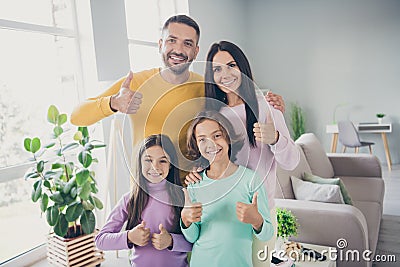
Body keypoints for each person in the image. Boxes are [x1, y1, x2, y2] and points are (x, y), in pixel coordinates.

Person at [70, 15, 285, 172]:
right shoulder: (136, 82)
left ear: (196, 51)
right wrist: (113, 103)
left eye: (187, 43)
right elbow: (77, 116)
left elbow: (238, 105)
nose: (179, 50)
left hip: (194, 190)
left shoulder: (205, 88)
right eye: (172, 40)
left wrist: (271, 106)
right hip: (151, 189)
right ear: (160, 44)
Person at [185, 41, 300, 266]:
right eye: (217, 69)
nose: (225, 74)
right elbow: (208, 160)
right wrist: (195, 173)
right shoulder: (212, 113)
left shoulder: (266, 107)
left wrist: (275, 138)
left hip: (259, 213)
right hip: (219, 216)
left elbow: (292, 161)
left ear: (243, 68)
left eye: (231, 65)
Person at [181, 110, 273, 267]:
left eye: (217, 136)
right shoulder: (195, 183)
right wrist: (186, 220)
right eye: (202, 139)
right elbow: (192, 237)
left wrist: (256, 220)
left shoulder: (250, 179)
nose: (211, 144)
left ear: (228, 138)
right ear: (196, 145)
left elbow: (267, 234)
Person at [95, 134, 191, 267]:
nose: (155, 167)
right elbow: (101, 240)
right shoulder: (130, 199)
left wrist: (171, 241)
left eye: (162, 161)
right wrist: (129, 237)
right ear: (140, 163)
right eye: (148, 160)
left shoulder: (183, 197)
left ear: (171, 165)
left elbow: (196, 242)